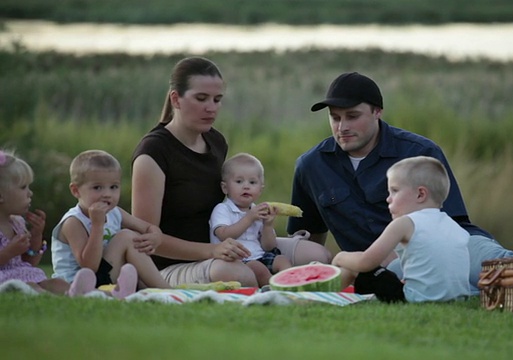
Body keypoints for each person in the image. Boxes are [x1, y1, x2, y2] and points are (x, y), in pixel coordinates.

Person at [287, 71, 513, 294]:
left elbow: (450, 222)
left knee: (509, 269)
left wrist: (399, 251)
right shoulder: (311, 166)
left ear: (377, 111)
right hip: (386, 269)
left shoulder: (420, 153)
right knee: (421, 284)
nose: (342, 127)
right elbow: (308, 239)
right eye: (335, 117)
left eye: (352, 116)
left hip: (457, 246)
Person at [131, 56, 331, 287]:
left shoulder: (216, 141)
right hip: (171, 265)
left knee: (317, 256)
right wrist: (212, 250)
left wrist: (257, 218)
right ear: (176, 99)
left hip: (229, 246)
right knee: (240, 275)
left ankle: (290, 295)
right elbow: (147, 241)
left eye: (217, 100)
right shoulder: (152, 153)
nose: (211, 108)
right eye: (201, 98)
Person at [332, 156, 470, 303]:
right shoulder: (454, 226)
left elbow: (367, 262)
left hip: (412, 299)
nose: (388, 199)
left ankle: (317, 295)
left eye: (394, 191)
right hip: (457, 300)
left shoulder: (405, 223)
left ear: (420, 194)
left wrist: (340, 257)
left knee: (355, 269)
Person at [51, 150, 171, 295]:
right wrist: (97, 225)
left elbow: (148, 228)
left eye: (113, 187)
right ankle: (166, 290)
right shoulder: (73, 222)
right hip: (79, 282)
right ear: (76, 191)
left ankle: (144, 288)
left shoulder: (115, 212)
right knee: (126, 237)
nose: (107, 194)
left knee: (130, 237)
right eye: (97, 187)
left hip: (104, 276)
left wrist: (155, 237)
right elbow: (89, 266)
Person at [0, 149, 112, 297]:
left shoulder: (17, 223)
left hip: (24, 274)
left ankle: (99, 295)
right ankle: (57, 300)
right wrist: (9, 252)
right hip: (6, 280)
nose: (30, 193)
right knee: (31, 286)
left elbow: (30, 262)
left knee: (56, 283)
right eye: (23, 187)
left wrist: (36, 235)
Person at [210, 153, 292, 287]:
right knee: (258, 268)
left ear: (260, 189)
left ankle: (292, 285)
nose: (246, 186)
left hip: (259, 256)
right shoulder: (222, 209)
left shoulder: (256, 211)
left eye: (252, 182)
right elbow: (223, 234)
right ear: (225, 188)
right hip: (238, 259)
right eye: (239, 181)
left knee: (282, 260)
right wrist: (249, 218)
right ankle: (276, 290)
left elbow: (269, 246)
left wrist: (268, 225)